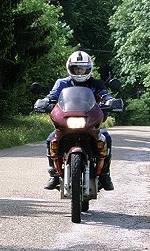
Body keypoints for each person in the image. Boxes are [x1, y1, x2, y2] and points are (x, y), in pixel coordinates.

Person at [43, 50, 116, 191]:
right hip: (67, 120)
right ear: (70, 68)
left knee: (106, 137)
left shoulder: (95, 83)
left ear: (88, 69)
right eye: (76, 68)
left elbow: (104, 94)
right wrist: (44, 101)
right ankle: (54, 174)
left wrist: (111, 101)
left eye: (82, 68)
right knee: (51, 139)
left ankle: (105, 174)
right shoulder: (62, 83)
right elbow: (52, 96)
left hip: (89, 121)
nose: (79, 71)